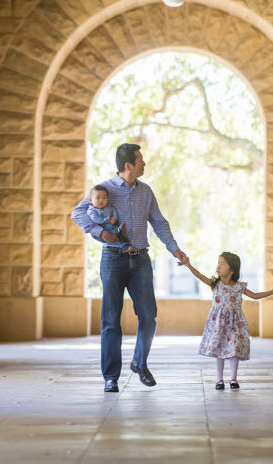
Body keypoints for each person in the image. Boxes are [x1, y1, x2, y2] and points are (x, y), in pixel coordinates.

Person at [71, 143, 188, 393]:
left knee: (148, 316)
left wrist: (174, 248)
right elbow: (77, 213)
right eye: (140, 160)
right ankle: (110, 377)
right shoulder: (105, 189)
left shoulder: (146, 192)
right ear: (128, 165)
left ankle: (139, 362)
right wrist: (100, 232)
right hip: (113, 259)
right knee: (111, 319)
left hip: (141, 260)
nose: (144, 164)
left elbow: (159, 222)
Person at [183, 252, 273, 390]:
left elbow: (255, 295)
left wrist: (272, 291)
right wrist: (188, 265)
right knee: (219, 347)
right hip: (219, 323)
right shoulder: (215, 284)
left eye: (222, 264)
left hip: (235, 324)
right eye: (218, 263)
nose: (218, 266)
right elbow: (199, 276)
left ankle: (234, 379)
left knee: (234, 349)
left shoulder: (239, 286)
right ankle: (219, 379)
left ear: (232, 269)